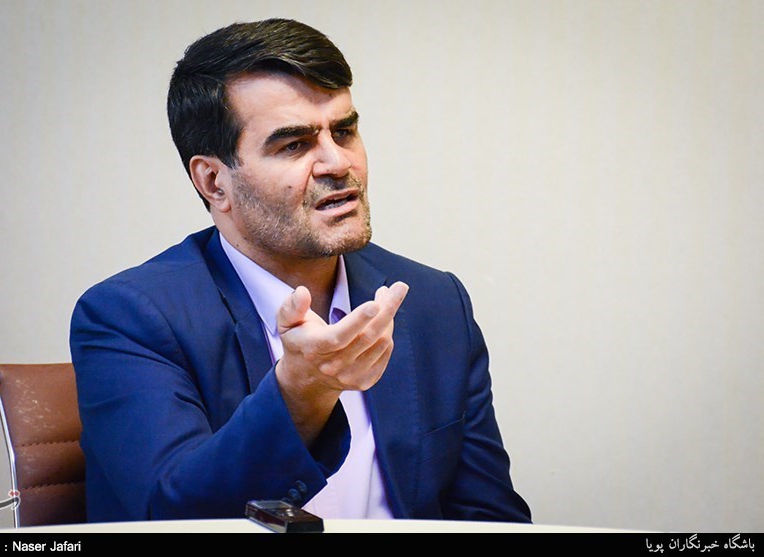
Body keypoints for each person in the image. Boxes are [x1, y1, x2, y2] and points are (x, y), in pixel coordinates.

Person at [69, 18, 531, 524]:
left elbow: (489, 519)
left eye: (345, 131)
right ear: (214, 182)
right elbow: (174, 515)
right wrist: (302, 392)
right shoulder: (130, 317)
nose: (338, 163)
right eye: (294, 144)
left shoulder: (433, 301)